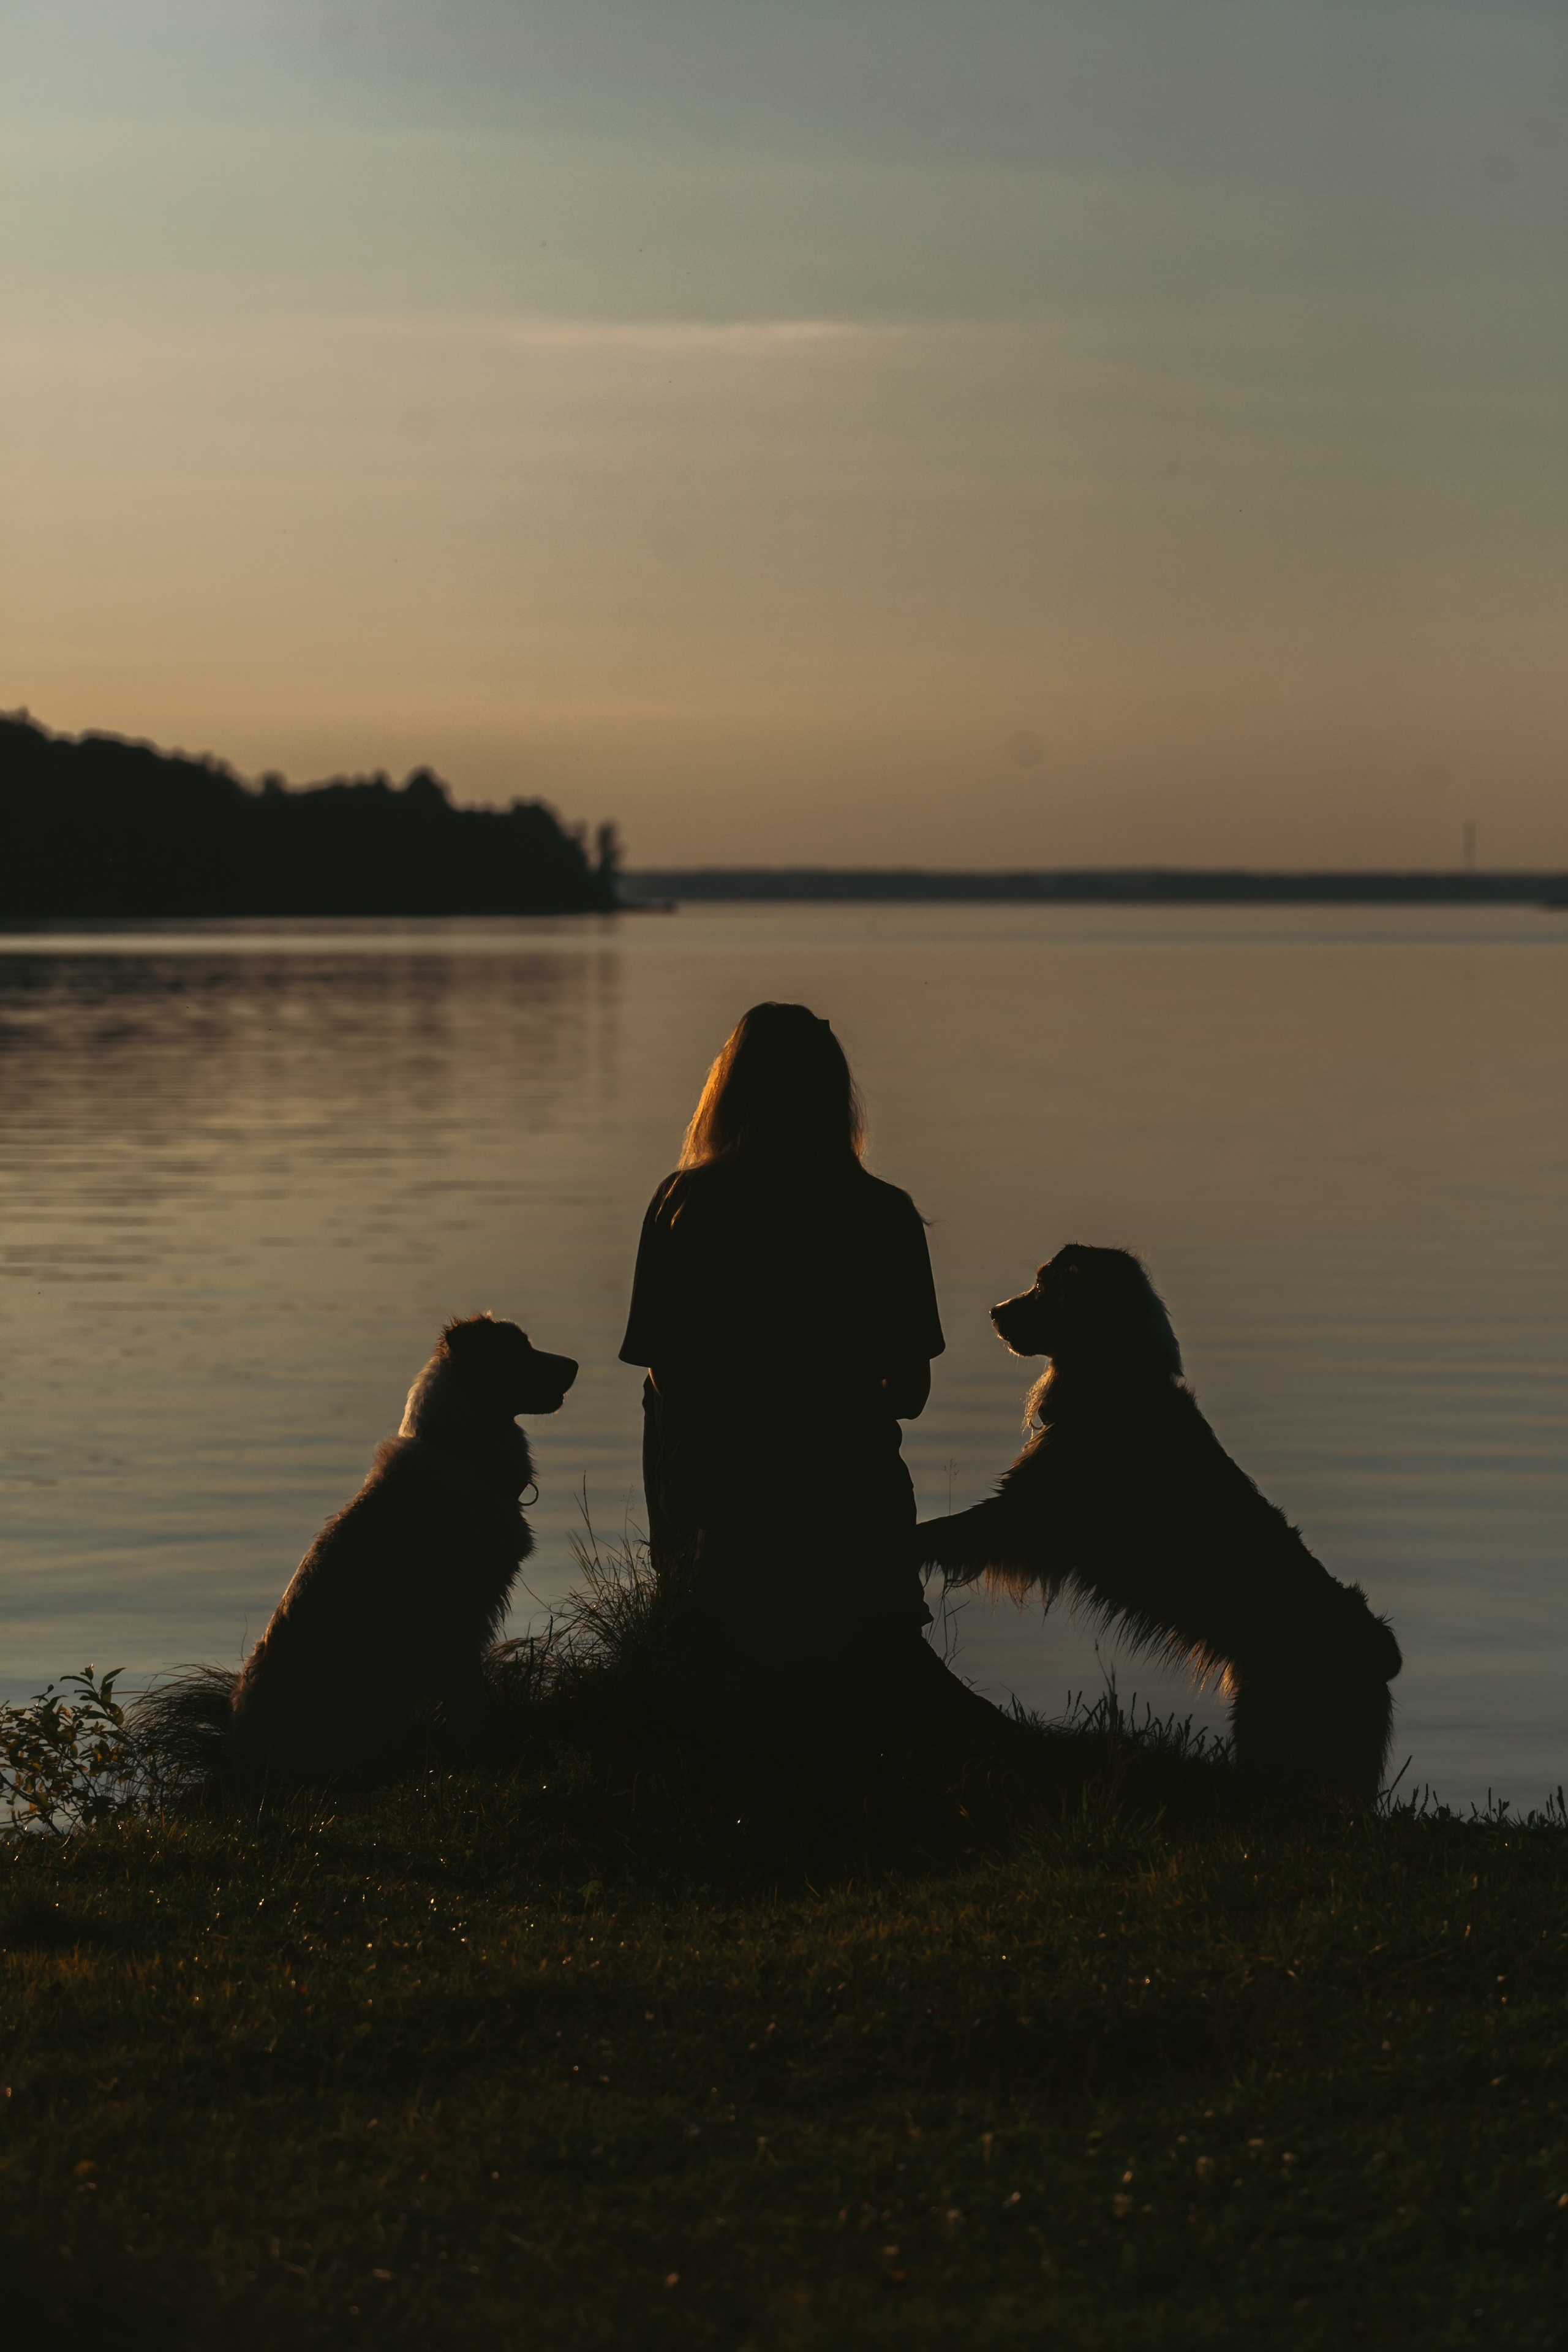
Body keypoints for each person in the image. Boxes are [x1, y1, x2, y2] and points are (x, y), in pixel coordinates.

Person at [619, 1002, 944, 1713]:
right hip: (853, 1501)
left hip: (722, 1492)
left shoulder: (683, 1204)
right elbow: (911, 1393)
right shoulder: (884, 1212)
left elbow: (667, 1371)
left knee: (660, 1393)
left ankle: (687, 1584)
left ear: (730, 1091)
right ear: (835, 1094)